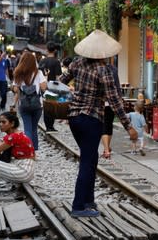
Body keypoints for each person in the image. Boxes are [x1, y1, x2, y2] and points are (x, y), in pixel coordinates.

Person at [59, 30, 137, 218]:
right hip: (92, 118)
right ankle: (78, 206)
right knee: (87, 161)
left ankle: (88, 200)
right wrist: (129, 126)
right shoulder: (105, 70)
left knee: (91, 158)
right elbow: (115, 100)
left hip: (74, 118)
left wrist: (72, 92)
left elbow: (60, 83)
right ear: (104, 53)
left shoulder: (76, 64)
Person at [12, 51, 47, 151]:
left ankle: (28, 151)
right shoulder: (38, 73)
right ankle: (34, 150)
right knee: (34, 128)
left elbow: (15, 89)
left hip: (24, 105)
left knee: (27, 128)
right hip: (37, 105)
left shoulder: (18, 73)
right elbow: (44, 88)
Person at [39, 41, 62, 132]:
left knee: (46, 106)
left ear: (47, 50)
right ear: (55, 50)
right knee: (52, 106)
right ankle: (50, 126)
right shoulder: (56, 62)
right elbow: (58, 77)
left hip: (43, 85)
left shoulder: (42, 61)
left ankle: (48, 125)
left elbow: (39, 74)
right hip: (53, 87)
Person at [100, 65, 122, 159]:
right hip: (112, 102)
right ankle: (107, 148)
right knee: (109, 124)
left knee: (104, 125)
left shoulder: (95, 69)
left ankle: (106, 150)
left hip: (100, 102)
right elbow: (117, 86)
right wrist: (119, 99)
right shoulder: (113, 69)